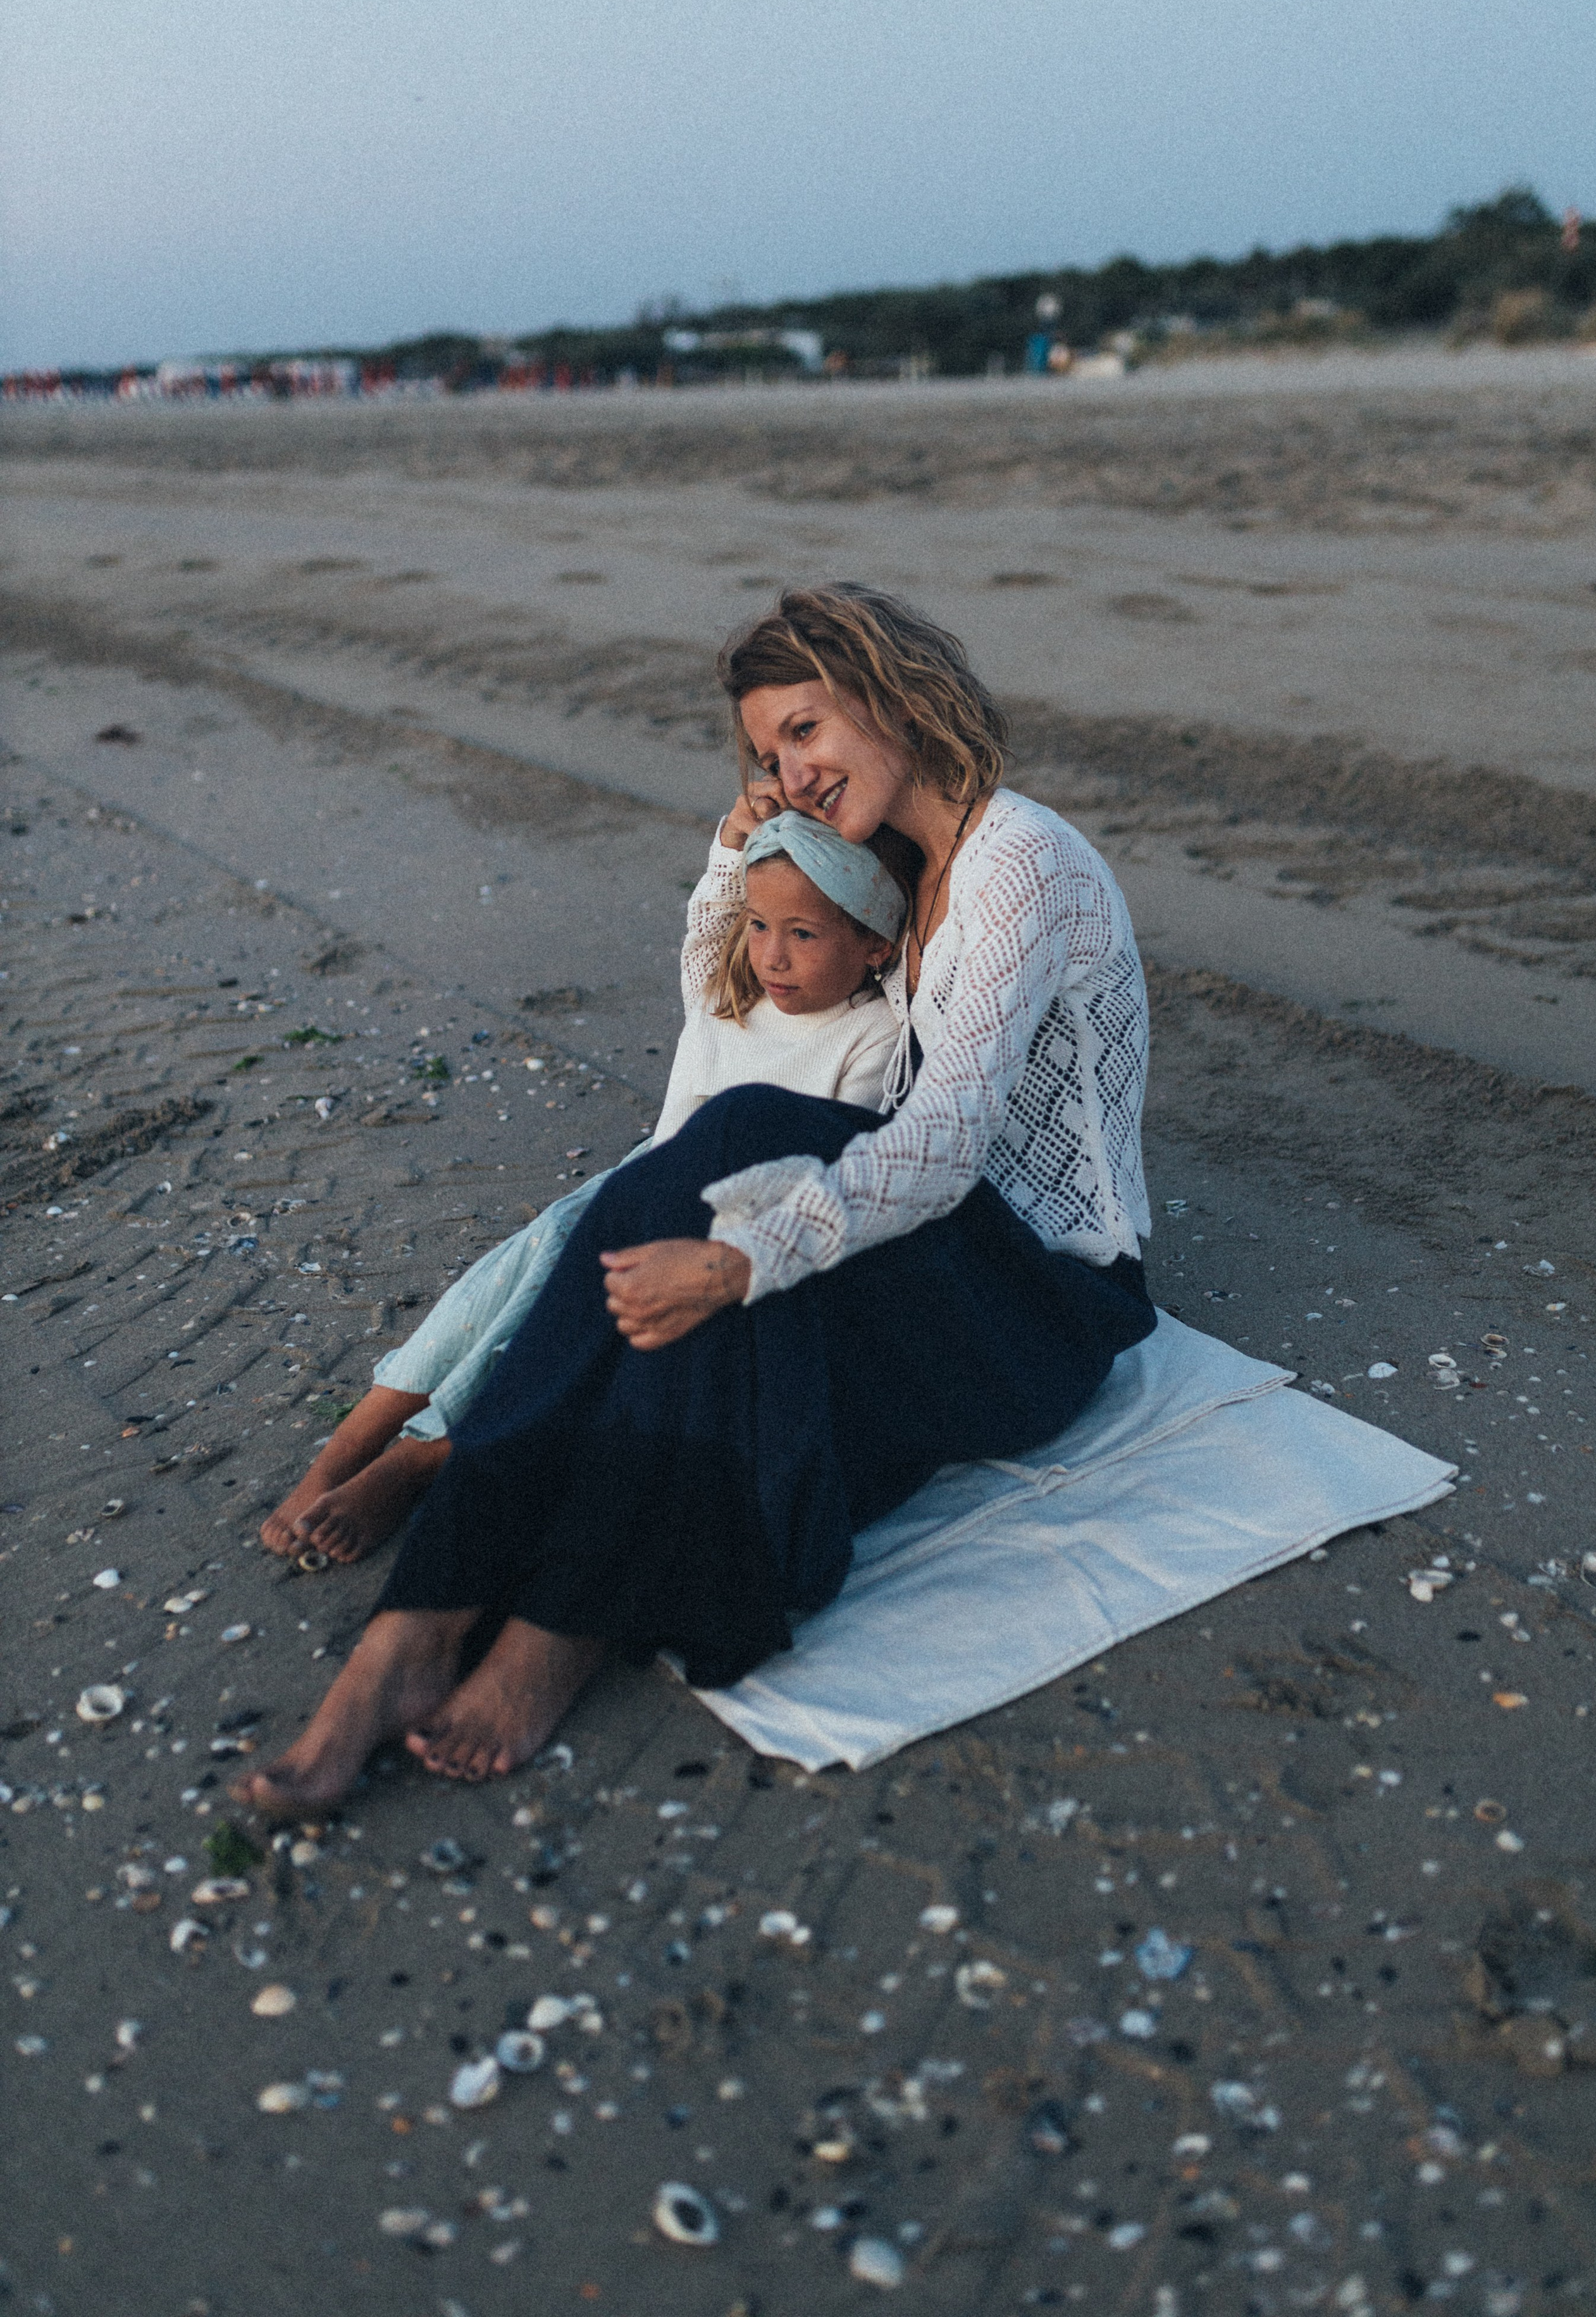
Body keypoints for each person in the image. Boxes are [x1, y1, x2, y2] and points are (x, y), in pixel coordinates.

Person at [237, 584, 1155, 1817]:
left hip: (1043, 1303)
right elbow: (740, 981)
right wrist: (740, 846)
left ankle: (550, 1627)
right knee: (685, 1201)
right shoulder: (898, 869)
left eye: (808, 732)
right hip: (924, 1261)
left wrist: (747, 1257)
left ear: (893, 699)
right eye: (769, 749)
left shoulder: (1016, 861)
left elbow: (935, 1152)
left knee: (728, 1175)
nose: (793, 770)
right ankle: (418, 1630)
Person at [256, 812, 908, 1568]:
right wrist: (736, 833)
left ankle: (419, 1459)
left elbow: (820, 1161)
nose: (773, 954)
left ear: (875, 945)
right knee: (507, 1273)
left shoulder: (873, 1037)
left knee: (550, 1314)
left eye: (804, 934)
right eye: (760, 925)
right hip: (630, 1183)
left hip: (711, 1233)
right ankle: (346, 1450)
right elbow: (714, 901)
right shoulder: (724, 989)